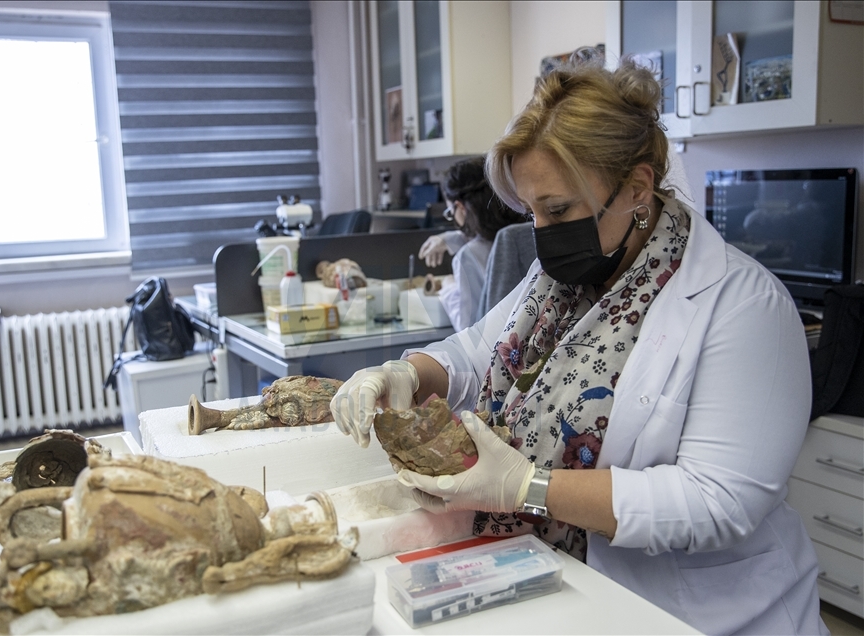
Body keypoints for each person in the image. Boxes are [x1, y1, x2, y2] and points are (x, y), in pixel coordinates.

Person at [331, 55, 825, 635]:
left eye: (557, 209)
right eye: (531, 209)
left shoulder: (744, 307)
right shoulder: (563, 282)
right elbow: (474, 354)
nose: (541, 232)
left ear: (637, 187)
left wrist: (527, 487)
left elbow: (715, 502)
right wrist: (406, 374)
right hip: (560, 582)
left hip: (698, 614)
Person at [416, 156, 528, 331]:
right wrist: (450, 239)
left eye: (450, 212)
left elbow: (468, 331)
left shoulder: (468, 256)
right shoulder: (526, 234)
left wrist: (449, 288)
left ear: (460, 207)